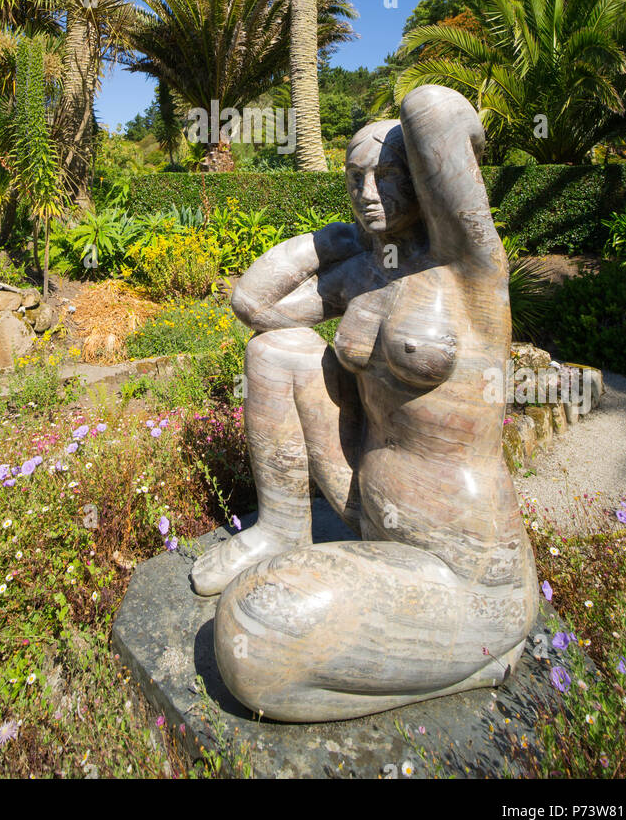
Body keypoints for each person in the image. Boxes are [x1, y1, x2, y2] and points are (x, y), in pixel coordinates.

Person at [191, 84, 538, 722]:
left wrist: (461, 142)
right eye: (357, 180)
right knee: (280, 352)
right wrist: (330, 240)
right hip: (362, 503)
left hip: (458, 561)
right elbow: (256, 306)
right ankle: (281, 529)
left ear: (426, 180)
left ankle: (479, 657)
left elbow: (431, 108)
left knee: (252, 636)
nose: (370, 192)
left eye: (388, 176)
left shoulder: (471, 270)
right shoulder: (369, 272)